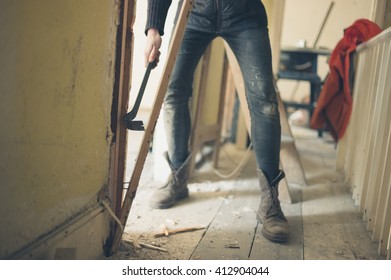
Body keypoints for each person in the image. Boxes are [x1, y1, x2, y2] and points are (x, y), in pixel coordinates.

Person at [144, 0, 289, 243]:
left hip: (246, 13)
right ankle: (178, 180)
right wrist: (154, 28)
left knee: (265, 101)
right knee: (174, 91)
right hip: (194, 13)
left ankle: (270, 201)